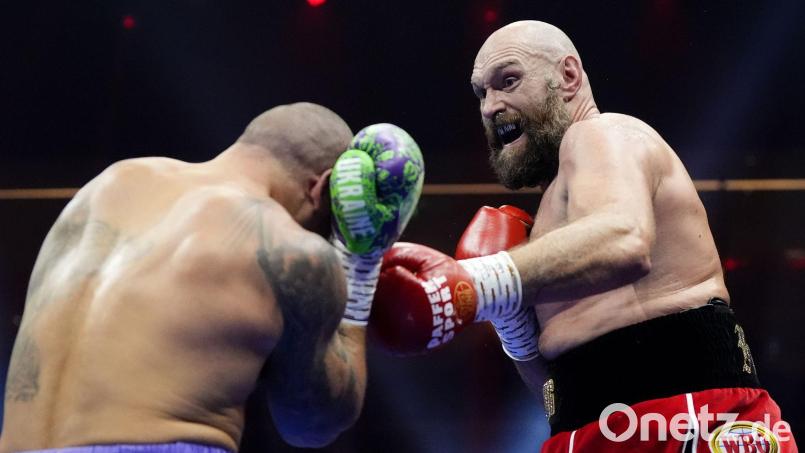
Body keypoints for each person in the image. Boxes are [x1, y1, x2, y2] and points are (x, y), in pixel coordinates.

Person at [369, 21, 798, 452]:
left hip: (693, 420)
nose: (490, 106)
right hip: (590, 431)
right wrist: (512, 323)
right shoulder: (550, 224)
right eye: (482, 93)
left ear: (568, 77)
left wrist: (479, 281)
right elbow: (560, 396)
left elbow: (624, 240)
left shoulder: (602, 133)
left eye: (509, 81)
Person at [0, 103, 424, 453]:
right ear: (323, 188)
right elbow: (312, 423)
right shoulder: (291, 248)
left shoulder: (106, 186)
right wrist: (359, 263)